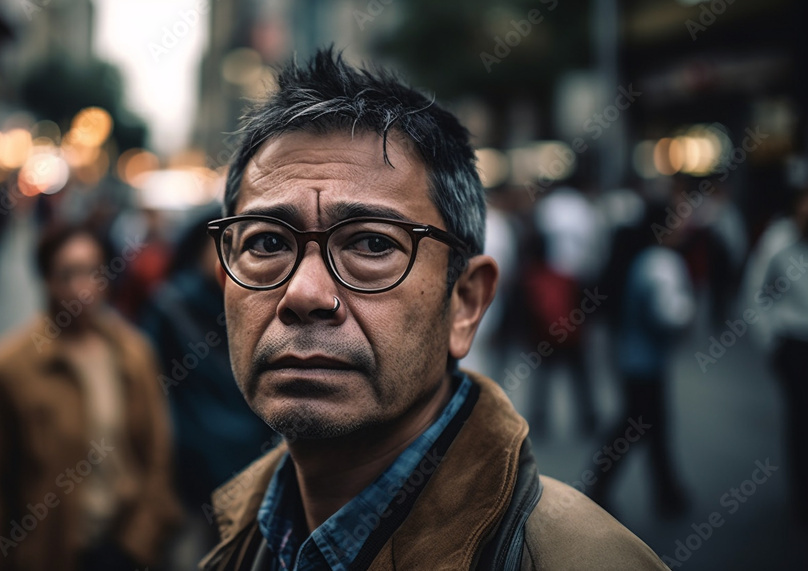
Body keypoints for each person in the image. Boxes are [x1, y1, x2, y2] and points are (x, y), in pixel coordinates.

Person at [199, 49, 667, 571]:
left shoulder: (580, 561)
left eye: (373, 244)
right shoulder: (236, 543)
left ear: (465, 302)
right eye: (266, 244)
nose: (304, 294)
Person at [0, 223, 181, 571]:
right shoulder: (10, 364)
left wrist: (139, 540)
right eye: (67, 274)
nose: (81, 288)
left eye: (92, 272)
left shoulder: (133, 353)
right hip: (48, 552)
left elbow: (157, 456)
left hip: (123, 549)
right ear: (46, 280)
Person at [141, 205, 276, 567]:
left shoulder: (260, 304)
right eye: (220, 245)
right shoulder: (171, 306)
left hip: (251, 461)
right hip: (192, 466)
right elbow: (152, 390)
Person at [588, 198, 694, 518]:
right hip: (645, 360)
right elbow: (670, 314)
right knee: (636, 426)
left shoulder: (638, 258)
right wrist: (688, 313)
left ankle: (666, 492)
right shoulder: (660, 263)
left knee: (647, 425)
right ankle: (602, 489)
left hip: (630, 356)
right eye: (676, 218)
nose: (682, 225)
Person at [759, 186, 808, 525]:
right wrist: (770, 341)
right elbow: (757, 294)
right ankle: (801, 497)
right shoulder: (780, 246)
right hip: (795, 343)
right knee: (801, 420)